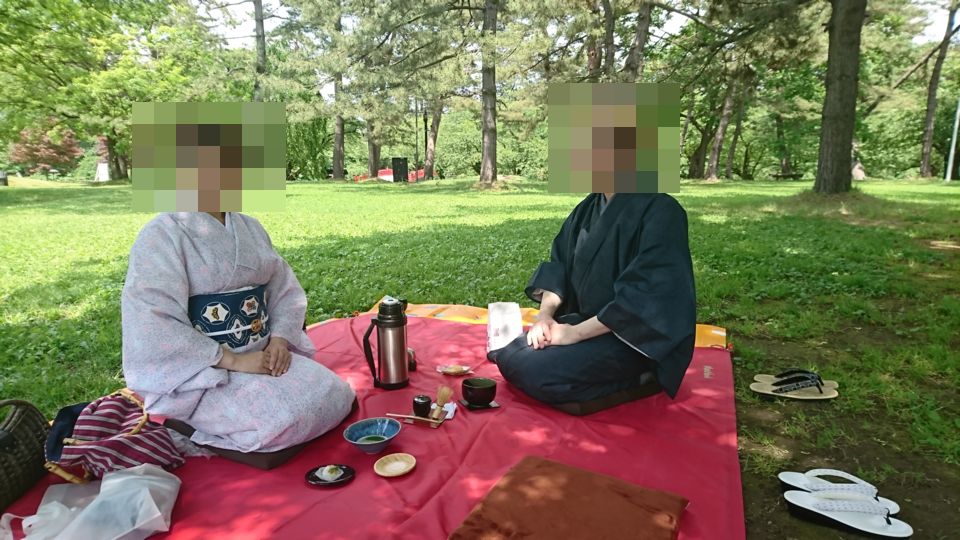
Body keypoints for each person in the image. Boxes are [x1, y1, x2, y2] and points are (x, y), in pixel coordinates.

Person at [121, 211, 355, 453]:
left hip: (263, 355)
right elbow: (154, 319)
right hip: (204, 372)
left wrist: (279, 341)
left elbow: (283, 288)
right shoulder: (161, 234)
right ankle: (189, 425)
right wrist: (234, 360)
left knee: (336, 395)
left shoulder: (249, 227)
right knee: (282, 421)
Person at [488, 192, 696, 414]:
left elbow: (645, 294)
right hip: (587, 324)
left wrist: (574, 334)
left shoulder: (662, 210)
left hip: (635, 338)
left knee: (537, 370)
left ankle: (645, 379)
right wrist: (545, 317)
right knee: (508, 355)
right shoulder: (587, 207)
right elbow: (559, 268)